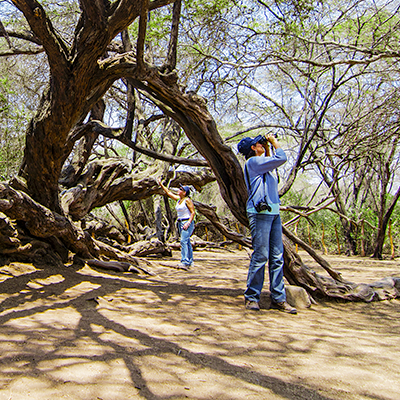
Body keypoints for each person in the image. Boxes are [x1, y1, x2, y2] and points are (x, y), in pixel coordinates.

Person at [238, 134, 297, 314]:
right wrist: (272, 141)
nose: (262, 145)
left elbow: (273, 162)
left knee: (277, 257)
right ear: (253, 149)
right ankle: (252, 297)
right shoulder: (253, 163)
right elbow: (282, 158)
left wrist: (267, 147)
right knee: (261, 255)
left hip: (273, 212)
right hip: (259, 213)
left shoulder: (264, 164)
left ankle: (278, 298)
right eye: (258, 144)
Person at [158, 179, 195, 268]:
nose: (178, 190)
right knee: (187, 242)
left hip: (187, 222)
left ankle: (185, 262)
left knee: (183, 241)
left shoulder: (187, 200)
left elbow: (193, 212)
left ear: (184, 193)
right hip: (180, 222)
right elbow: (168, 193)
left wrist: (188, 223)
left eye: (181, 189)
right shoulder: (179, 200)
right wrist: (161, 184)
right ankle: (190, 261)